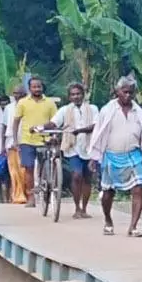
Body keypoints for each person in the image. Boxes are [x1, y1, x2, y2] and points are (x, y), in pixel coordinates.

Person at [92, 75, 142, 236]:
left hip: (134, 156)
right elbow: (98, 133)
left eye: (131, 93)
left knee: (138, 188)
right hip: (111, 156)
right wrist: (94, 157)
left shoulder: (139, 112)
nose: (128, 95)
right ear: (117, 91)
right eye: (125, 92)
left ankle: (133, 227)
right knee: (108, 193)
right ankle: (108, 220)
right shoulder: (108, 110)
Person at [52, 81, 101, 218]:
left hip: (90, 148)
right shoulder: (65, 110)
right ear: (69, 97)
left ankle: (84, 209)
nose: (76, 96)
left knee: (87, 178)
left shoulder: (93, 109)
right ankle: (77, 208)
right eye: (73, 94)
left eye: (78, 94)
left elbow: (96, 125)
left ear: (83, 95)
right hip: (73, 147)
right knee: (76, 175)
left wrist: (80, 130)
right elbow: (54, 122)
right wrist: (42, 127)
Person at [11, 76, 59, 205]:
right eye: (34, 87)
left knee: (45, 167)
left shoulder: (50, 103)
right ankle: (31, 196)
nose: (37, 89)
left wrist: (54, 137)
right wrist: (15, 140)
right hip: (27, 140)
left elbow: (55, 122)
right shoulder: (22, 103)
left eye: (39, 86)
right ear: (29, 88)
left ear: (42, 87)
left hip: (45, 140)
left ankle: (46, 190)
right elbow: (16, 122)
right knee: (29, 168)